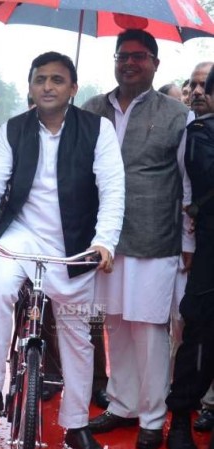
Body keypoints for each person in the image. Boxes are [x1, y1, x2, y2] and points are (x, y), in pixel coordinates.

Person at [0, 51, 125, 449]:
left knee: (77, 335)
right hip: (20, 234)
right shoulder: (14, 130)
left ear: (72, 87)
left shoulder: (97, 129)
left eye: (57, 80)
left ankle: (75, 425)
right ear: (30, 87)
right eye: (40, 80)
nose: (48, 87)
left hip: (75, 243)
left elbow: (112, 189)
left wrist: (104, 241)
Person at [83, 29, 193, 449]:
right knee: (114, 325)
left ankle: (152, 416)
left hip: (155, 239)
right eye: (122, 55)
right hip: (103, 241)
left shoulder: (175, 114)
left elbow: (185, 183)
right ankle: (123, 404)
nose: (129, 63)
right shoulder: (92, 109)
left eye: (139, 56)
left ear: (155, 64)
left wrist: (187, 242)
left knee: (148, 329)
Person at [166, 65, 214, 449]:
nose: (198, 93)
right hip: (209, 249)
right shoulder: (200, 134)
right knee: (197, 334)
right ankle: (181, 414)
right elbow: (197, 182)